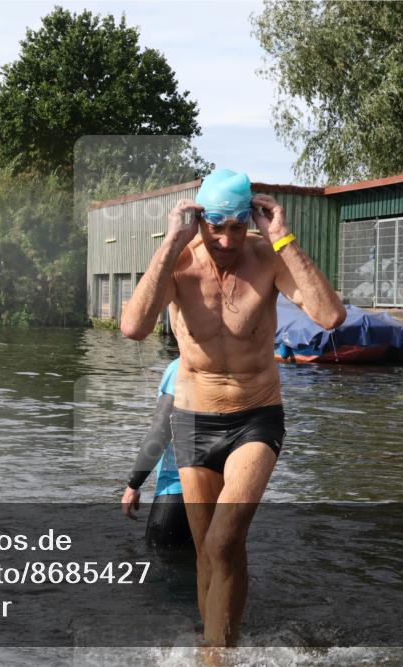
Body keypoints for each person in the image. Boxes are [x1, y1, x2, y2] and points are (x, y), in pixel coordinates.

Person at [120, 168, 345, 647]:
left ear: (250, 221)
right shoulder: (179, 263)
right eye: (215, 226)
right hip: (193, 419)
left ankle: (214, 659)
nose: (225, 239)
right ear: (199, 219)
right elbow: (134, 327)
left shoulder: (268, 258)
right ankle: (221, 646)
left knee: (223, 540)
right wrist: (169, 243)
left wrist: (284, 239)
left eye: (237, 227)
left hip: (255, 416)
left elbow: (329, 316)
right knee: (209, 552)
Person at [121, 357, 191, 548]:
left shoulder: (181, 367)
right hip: (219, 494)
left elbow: (160, 432)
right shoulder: (234, 367)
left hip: (177, 493)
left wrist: (133, 484)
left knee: (160, 566)